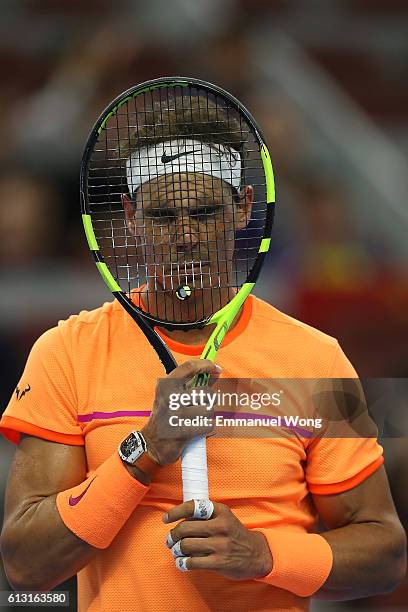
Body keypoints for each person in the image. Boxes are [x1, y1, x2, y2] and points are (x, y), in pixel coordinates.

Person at [0, 96, 406, 612]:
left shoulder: (318, 359)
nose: (186, 236)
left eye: (205, 211)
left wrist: (263, 554)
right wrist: (145, 449)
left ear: (242, 207)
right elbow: (25, 564)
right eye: (163, 216)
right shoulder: (65, 354)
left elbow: (385, 554)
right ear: (130, 216)